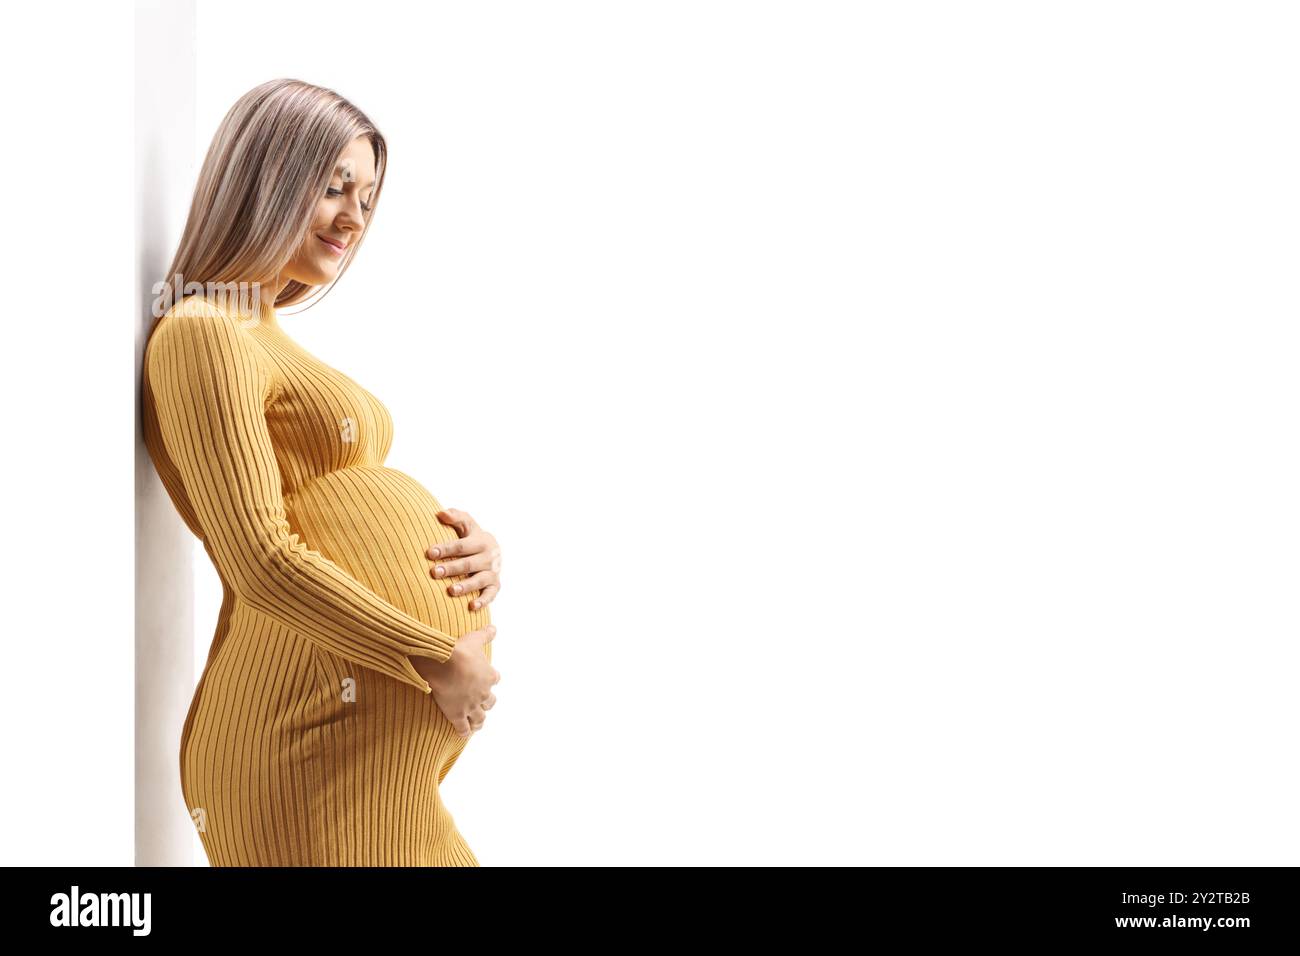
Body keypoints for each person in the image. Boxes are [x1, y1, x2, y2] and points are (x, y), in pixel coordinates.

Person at [141, 78, 502, 866]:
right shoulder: (204, 331)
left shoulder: (260, 329)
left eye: (367, 198)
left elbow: (342, 520)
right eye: (332, 186)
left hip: (355, 747)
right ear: (266, 176)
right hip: (299, 740)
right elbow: (262, 559)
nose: (352, 217)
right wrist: (436, 655)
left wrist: (471, 554)